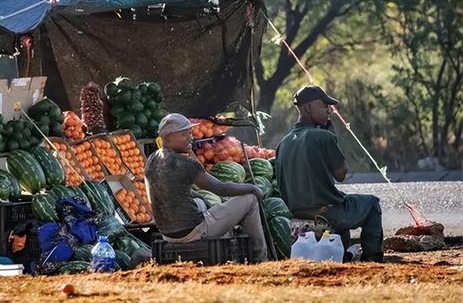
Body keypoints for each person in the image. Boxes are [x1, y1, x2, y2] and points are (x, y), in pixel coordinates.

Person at [275, 85, 384, 262]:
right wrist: (331, 137)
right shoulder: (324, 137)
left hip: (296, 210)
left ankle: (343, 256)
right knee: (371, 204)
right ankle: (373, 260)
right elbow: (341, 174)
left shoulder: (283, 143)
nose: (329, 111)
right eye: (324, 106)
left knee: (343, 202)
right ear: (308, 108)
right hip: (325, 210)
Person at [144, 113, 268, 262]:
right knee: (250, 199)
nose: (191, 138)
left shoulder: (152, 159)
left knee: (201, 201)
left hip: (168, 234)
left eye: (190, 133)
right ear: (168, 137)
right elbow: (221, 188)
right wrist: (253, 188)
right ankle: (260, 258)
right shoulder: (183, 164)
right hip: (193, 232)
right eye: (185, 134)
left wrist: (189, 151)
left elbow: (195, 177)